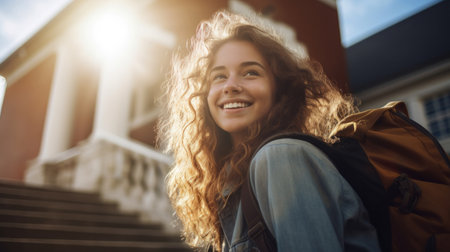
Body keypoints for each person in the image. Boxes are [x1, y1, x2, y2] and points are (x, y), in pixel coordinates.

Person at [158, 10, 381, 252]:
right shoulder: (230, 181)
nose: (230, 86)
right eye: (219, 76)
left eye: (250, 72)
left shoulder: (281, 157)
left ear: (280, 89)